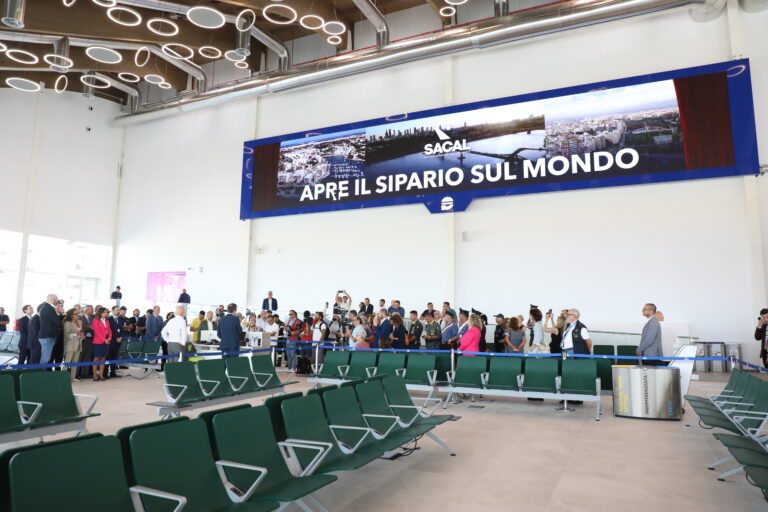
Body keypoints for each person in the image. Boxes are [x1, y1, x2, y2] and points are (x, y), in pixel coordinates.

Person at [38, 294, 62, 365]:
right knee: (45, 358)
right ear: (52, 299)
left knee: (46, 357)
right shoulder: (48, 308)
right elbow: (57, 321)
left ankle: (40, 373)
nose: (58, 301)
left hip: (47, 335)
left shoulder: (46, 307)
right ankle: (39, 374)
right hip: (48, 336)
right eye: (57, 299)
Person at [91, 306, 112, 381]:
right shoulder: (95, 320)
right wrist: (104, 339)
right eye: (104, 312)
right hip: (98, 342)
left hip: (107, 342)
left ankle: (101, 375)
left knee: (103, 358)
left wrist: (109, 338)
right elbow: (97, 332)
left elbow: (109, 331)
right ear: (100, 313)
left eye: (107, 312)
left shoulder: (107, 321)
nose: (106, 314)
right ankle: (94, 375)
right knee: (96, 358)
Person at [62, 308, 83, 382]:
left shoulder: (80, 322)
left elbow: (81, 332)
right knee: (67, 361)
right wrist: (75, 334)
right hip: (70, 345)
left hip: (79, 344)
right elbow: (66, 335)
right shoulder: (67, 323)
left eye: (78, 314)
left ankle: (72, 377)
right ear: (71, 315)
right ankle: (63, 377)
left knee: (75, 362)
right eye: (75, 314)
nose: (77, 315)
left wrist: (82, 335)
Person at [77, 305, 95, 379]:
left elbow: (95, 328)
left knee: (88, 357)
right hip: (83, 340)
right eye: (91, 310)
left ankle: (85, 373)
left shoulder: (93, 319)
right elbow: (82, 328)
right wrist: (90, 328)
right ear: (86, 310)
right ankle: (77, 374)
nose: (93, 311)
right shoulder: (80, 318)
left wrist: (91, 328)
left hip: (91, 340)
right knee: (80, 357)